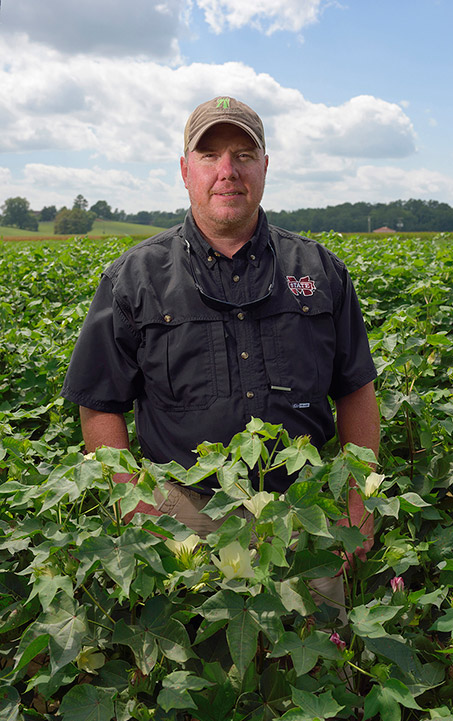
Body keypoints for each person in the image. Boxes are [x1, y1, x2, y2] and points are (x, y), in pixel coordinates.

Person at [61, 95, 379, 587]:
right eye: (209, 156)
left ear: (265, 167)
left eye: (244, 155)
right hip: (182, 513)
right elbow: (99, 403)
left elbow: (356, 388)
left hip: (305, 511)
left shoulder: (320, 271)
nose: (227, 170)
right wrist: (133, 502)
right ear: (185, 169)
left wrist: (359, 507)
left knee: (320, 654)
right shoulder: (134, 277)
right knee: (186, 658)